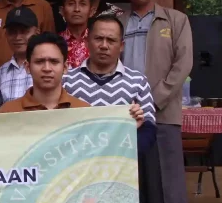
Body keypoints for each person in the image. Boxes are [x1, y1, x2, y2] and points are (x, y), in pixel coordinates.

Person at [121, 0, 193, 203]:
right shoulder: (119, 21)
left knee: (165, 177)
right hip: (123, 110)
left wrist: (155, 98)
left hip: (162, 110)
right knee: (131, 178)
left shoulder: (174, 20)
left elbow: (183, 64)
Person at [63, 13, 154, 146]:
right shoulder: (67, 80)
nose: (104, 45)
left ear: (122, 46)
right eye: (98, 38)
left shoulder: (138, 81)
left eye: (111, 40)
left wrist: (121, 148)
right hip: (76, 161)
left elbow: (149, 129)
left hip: (122, 161)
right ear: (87, 42)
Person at [0, 34, 90, 114]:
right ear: (27, 67)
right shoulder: (7, 112)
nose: (47, 68)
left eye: (54, 62)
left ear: (65, 67)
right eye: (39, 61)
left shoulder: (84, 111)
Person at [0, 7, 39, 104]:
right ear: (6, 35)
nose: (18, 37)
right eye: (12, 32)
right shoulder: (1, 72)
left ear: (37, 32)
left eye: (24, 31)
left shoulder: (47, 66)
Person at [60, 0, 92, 69]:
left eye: (82, 4)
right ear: (62, 11)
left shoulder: (98, 41)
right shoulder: (54, 42)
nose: (77, 9)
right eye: (71, 4)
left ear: (91, 11)